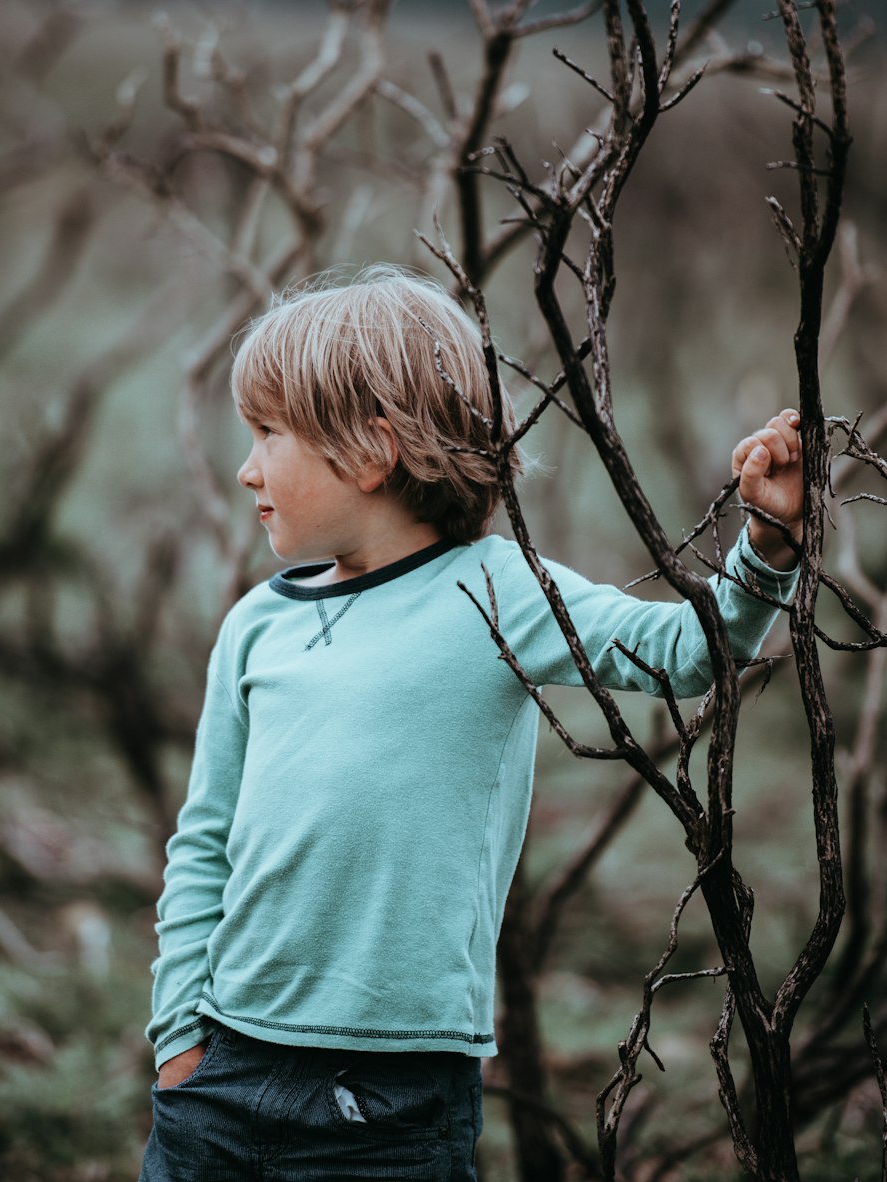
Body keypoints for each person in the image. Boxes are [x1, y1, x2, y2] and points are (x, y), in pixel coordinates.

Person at [138, 267, 802, 1182]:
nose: (247, 466)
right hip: (221, 1069)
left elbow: (687, 652)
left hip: (396, 1099)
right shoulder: (258, 625)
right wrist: (179, 1039)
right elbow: (203, 841)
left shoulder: (499, 590)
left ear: (371, 452)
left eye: (269, 434)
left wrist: (764, 551)